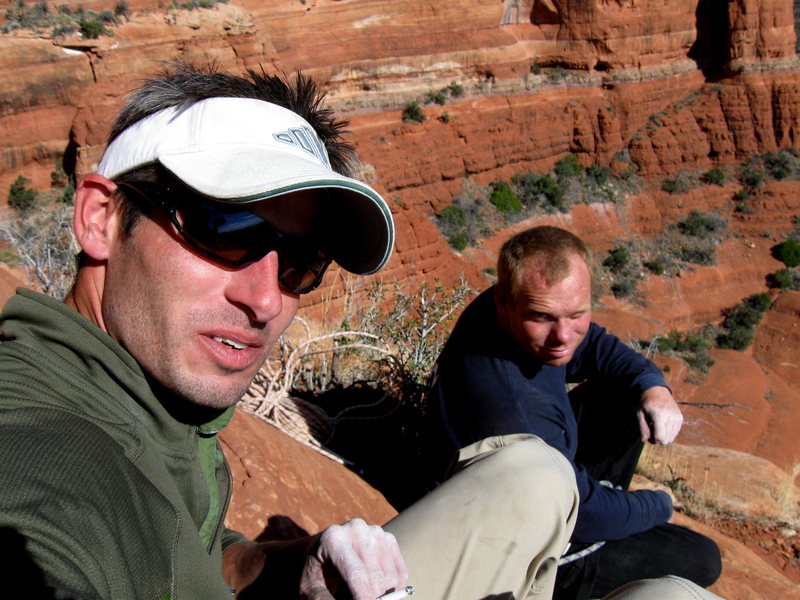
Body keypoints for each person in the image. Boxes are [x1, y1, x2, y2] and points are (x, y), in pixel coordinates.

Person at [0, 63, 724, 600]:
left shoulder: (160, 409)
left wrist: (288, 565)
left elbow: (188, 557)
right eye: (225, 230)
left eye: (301, 262)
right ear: (99, 218)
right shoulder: (45, 452)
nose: (264, 298)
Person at [423, 225, 723, 600]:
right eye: (543, 317)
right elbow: (581, 511)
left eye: (576, 313)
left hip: (542, 472)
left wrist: (653, 387)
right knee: (703, 558)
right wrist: (657, 504)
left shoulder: (511, 310)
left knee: (627, 393)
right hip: (523, 539)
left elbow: (595, 344)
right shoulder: (512, 409)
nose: (563, 336)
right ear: (505, 302)